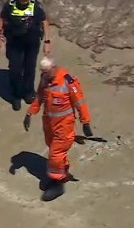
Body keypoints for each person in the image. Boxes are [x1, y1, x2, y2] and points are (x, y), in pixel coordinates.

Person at [23, 57, 93, 202]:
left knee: (56, 154)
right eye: (43, 72)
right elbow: (39, 97)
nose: (45, 75)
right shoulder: (45, 79)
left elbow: (80, 102)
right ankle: (63, 169)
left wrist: (85, 122)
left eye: (47, 72)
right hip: (49, 124)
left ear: (54, 68)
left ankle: (58, 183)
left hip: (64, 126)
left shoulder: (68, 82)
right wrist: (30, 113)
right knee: (52, 147)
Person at [0, 0, 52, 111]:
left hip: (31, 43)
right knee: (15, 69)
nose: (24, 3)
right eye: (22, 1)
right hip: (15, 43)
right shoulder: (9, 5)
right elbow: (2, 18)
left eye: (26, 1)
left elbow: (44, 21)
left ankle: (29, 92)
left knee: (30, 68)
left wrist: (47, 42)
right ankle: (16, 95)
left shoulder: (36, 6)